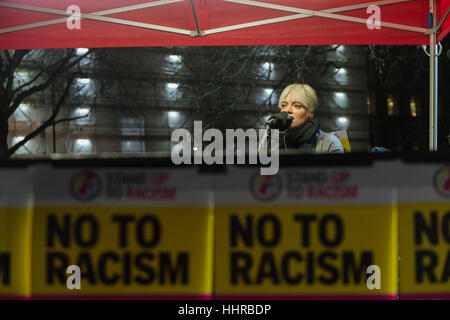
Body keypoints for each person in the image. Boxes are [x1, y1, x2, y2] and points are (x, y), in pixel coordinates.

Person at [275, 83, 344, 153]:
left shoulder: (329, 143)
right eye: (284, 105)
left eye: (297, 106)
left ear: (310, 113)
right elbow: (268, 163)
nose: (287, 110)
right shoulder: (272, 138)